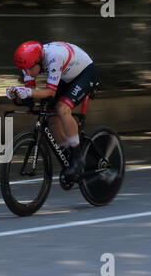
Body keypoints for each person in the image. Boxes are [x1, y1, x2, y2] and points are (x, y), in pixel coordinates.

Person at [6, 41, 98, 179]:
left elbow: (49, 92)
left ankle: (78, 158)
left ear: (38, 61)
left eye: (29, 69)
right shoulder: (30, 63)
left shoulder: (54, 57)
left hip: (85, 73)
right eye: (23, 69)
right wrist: (17, 93)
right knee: (52, 120)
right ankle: (69, 153)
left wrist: (28, 92)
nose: (27, 72)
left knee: (62, 109)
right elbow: (30, 90)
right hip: (67, 76)